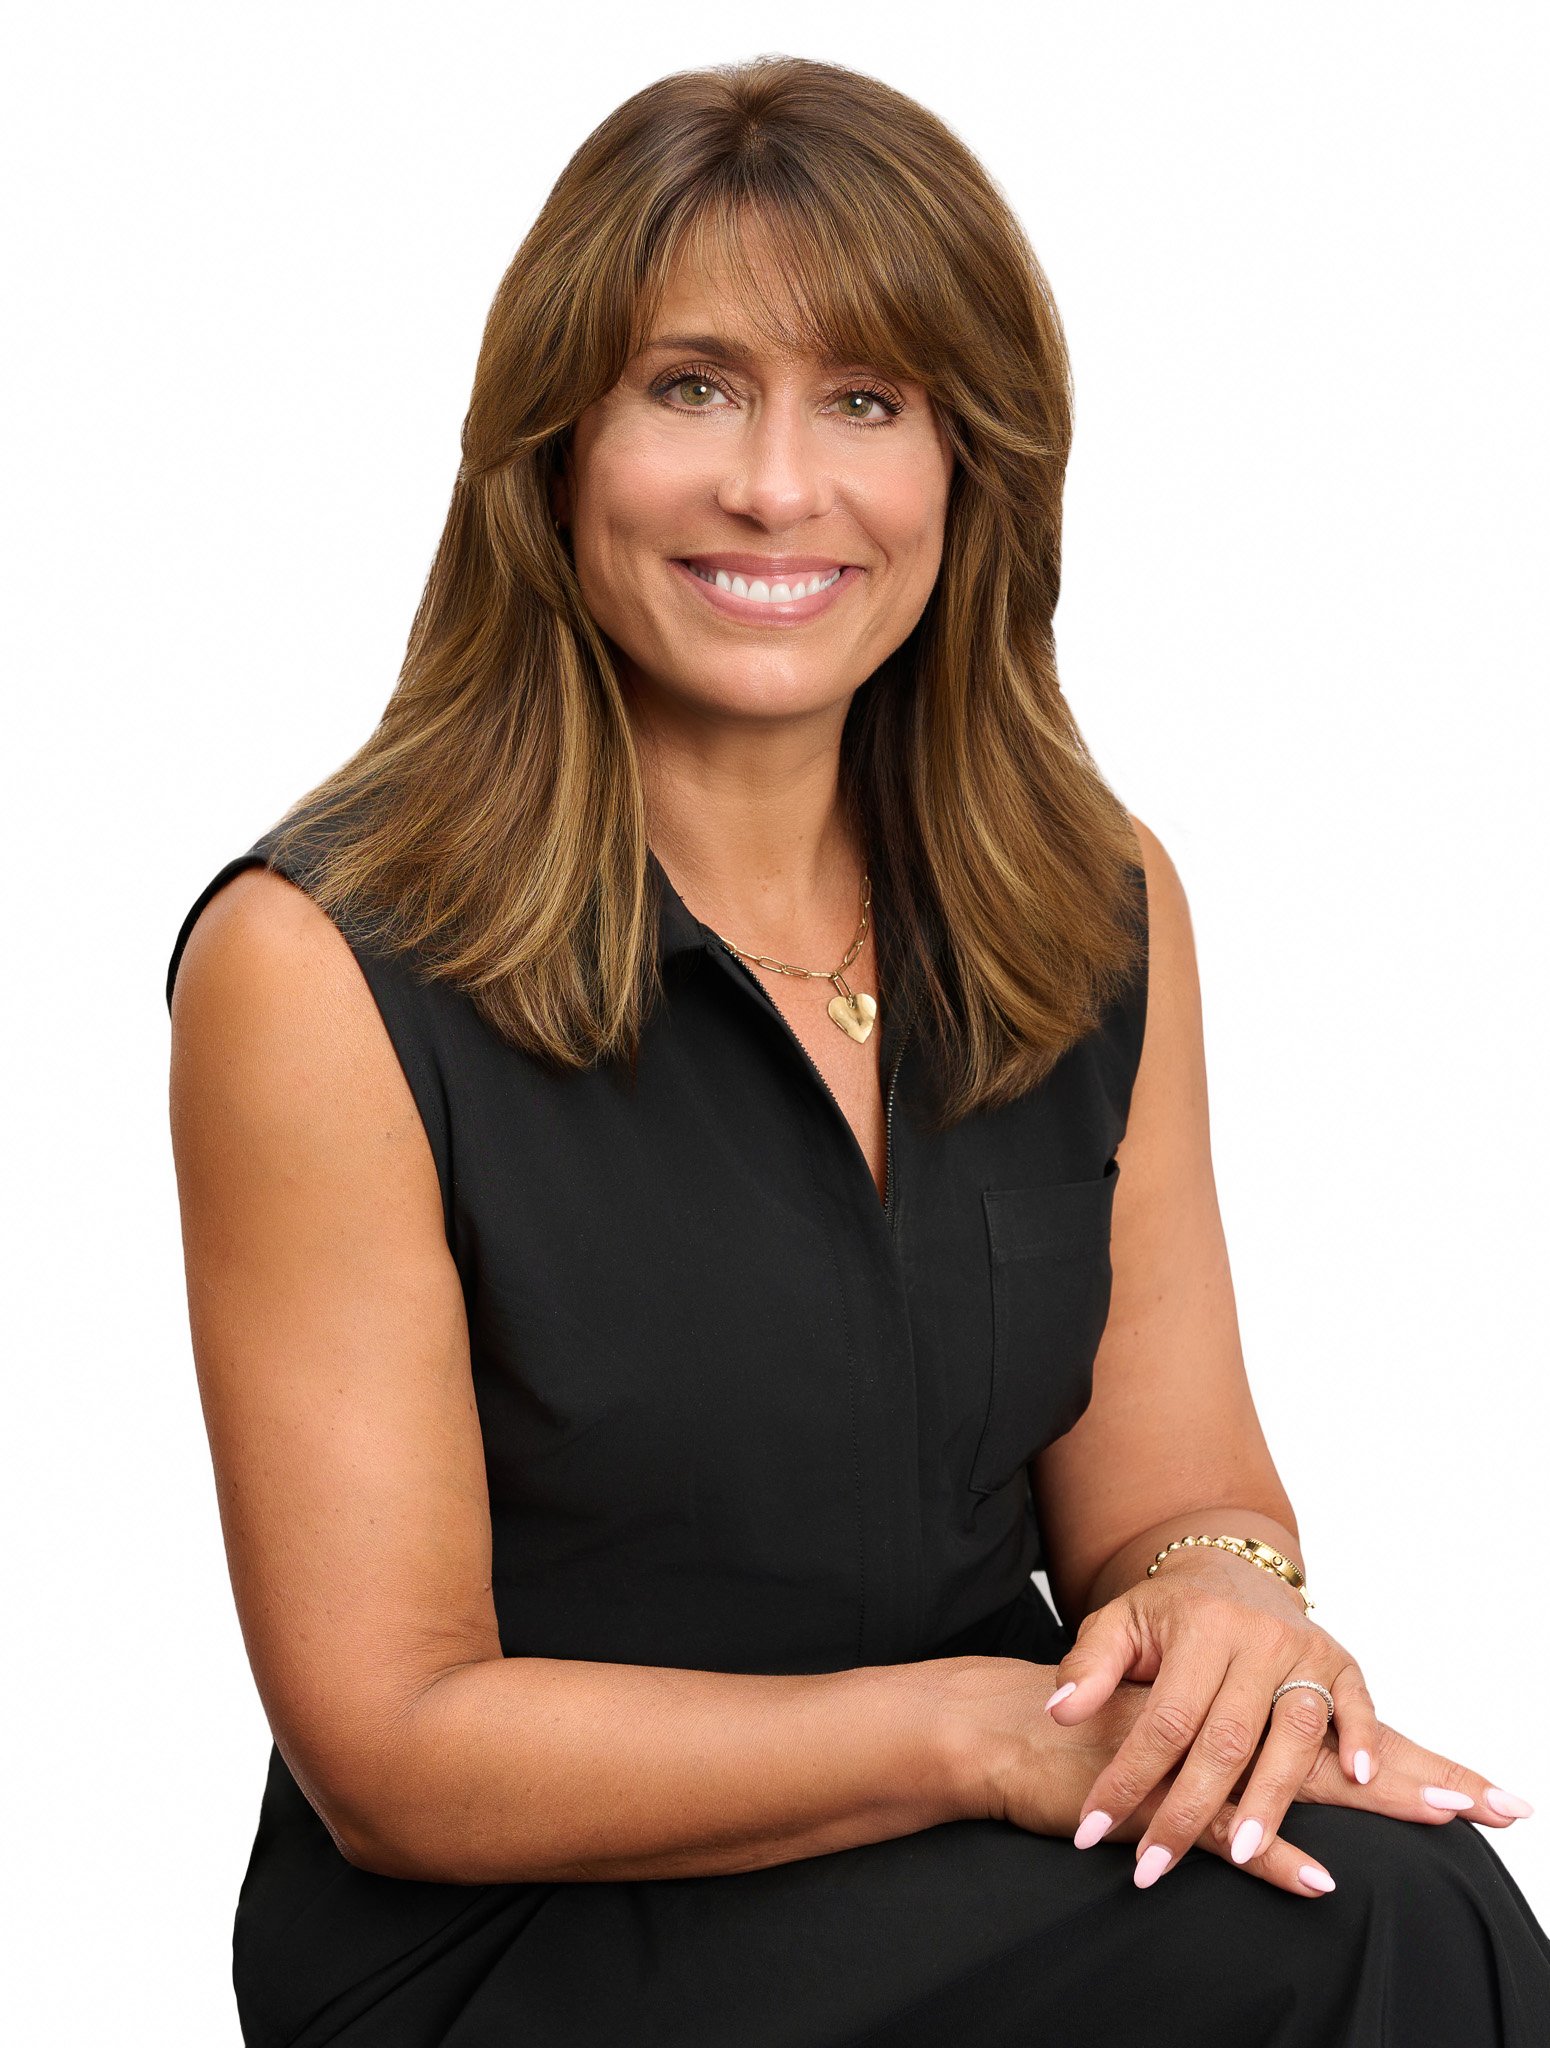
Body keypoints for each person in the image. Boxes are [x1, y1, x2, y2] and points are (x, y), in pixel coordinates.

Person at [165, 55, 1550, 2047]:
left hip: (977, 1857)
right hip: (521, 1933)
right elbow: (397, 1744)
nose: (773, 486)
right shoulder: (313, 964)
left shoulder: (1091, 901)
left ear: (970, 468)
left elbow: (1171, 1493)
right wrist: (979, 1737)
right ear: (552, 446)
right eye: (690, 387)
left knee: (1392, 1883)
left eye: (867, 401)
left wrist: (1229, 1604)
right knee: (1377, 1933)